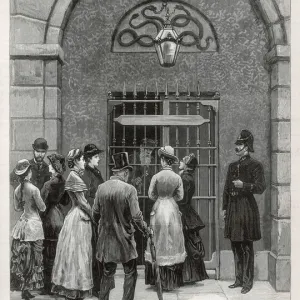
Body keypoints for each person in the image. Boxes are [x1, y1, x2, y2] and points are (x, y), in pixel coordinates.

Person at [92, 152, 149, 300]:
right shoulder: (129, 190)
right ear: (124, 172)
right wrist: (145, 229)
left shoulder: (101, 188)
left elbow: (95, 213)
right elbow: (136, 216)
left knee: (107, 272)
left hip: (106, 239)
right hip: (125, 238)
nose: (129, 175)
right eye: (128, 173)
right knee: (130, 271)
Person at [222, 130, 266, 294]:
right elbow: (226, 189)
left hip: (247, 208)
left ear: (247, 147)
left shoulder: (256, 165)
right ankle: (238, 279)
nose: (237, 147)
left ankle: (248, 282)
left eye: (240, 144)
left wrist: (245, 186)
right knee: (235, 245)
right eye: (237, 144)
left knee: (247, 246)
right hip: (233, 208)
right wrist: (224, 208)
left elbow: (261, 187)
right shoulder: (232, 166)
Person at [51, 149, 94, 299]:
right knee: (77, 253)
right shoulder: (74, 177)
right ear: (75, 161)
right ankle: (74, 288)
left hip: (76, 217)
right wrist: (94, 215)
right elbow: (82, 202)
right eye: (82, 159)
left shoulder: (74, 176)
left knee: (76, 252)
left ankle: (76, 289)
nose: (84, 162)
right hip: (78, 219)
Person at [144, 146, 186, 291]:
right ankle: (171, 281)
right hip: (172, 208)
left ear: (162, 160)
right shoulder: (177, 177)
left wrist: (160, 197)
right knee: (172, 240)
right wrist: (171, 198)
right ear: (171, 161)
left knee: (158, 240)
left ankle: (159, 280)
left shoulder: (156, 177)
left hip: (159, 208)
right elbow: (181, 196)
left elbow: (150, 195)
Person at [10, 159, 46, 300]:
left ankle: (24, 288)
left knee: (24, 258)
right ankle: (27, 288)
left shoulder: (18, 190)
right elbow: (42, 207)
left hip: (22, 224)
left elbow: (17, 208)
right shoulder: (34, 189)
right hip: (34, 225)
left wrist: (25, 204)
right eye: (30, 171)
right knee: (33, 258)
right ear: (28, 173)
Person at [178, 153, 209, 283]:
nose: (180, 161)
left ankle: (188, 276)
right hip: (186, 212)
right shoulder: (187, 177)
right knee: (188, 242)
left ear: (187, 166)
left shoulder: (185, 178)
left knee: (186, 243)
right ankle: (191, 275)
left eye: (183, 160)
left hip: (183, 213)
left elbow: (183, 200)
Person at [40, 154, 66, 295]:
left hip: (49, 218)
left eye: (50, 164)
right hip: (59, 216)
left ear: (54, 166)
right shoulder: (63, 181)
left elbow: (42, 205)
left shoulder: (48, 184)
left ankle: (48, 286)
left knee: (48, 252)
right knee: (57, 252)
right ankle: (57, 284)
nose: (48, 166)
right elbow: (66, 201)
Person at [82, 143, 104, 297]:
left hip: (98, 216)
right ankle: (95, 287)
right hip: (91, 217)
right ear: (89, 159)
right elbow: (86, 198)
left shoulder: (95, 172)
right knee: (92, 251)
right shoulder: (86, 174)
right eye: (96, 157)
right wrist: (95, 211)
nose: (99, 159)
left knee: (98, 251)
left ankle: (98, 285)